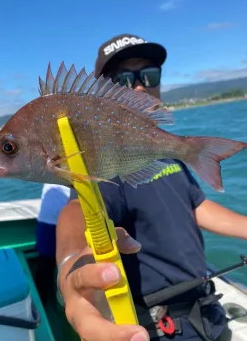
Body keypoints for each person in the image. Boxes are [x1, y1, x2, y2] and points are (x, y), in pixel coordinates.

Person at [56, 33, 247, 341]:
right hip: (161, 328)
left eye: (149, 74)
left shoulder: (165, 152)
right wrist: (70, 276)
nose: (141, 85)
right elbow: (75, 211)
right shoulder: (101, 161)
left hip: (210, 311)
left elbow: (196, 206)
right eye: (122, 78)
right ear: (102, 95)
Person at [35, 183, 71, 304]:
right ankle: (43, 303)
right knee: (46, 266)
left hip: (69, 217)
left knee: (67, 263)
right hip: (51, 219)